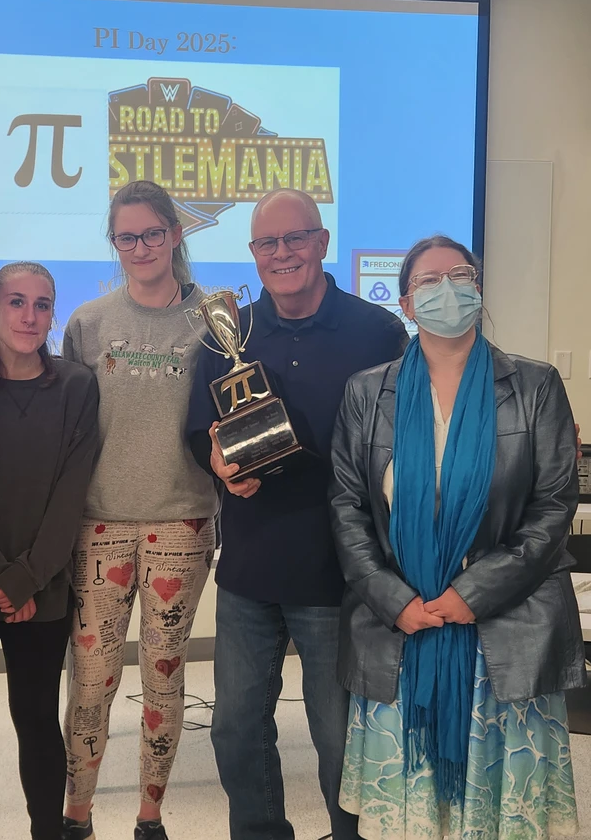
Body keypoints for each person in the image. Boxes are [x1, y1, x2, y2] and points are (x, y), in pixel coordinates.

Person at [329, 235, 587, 840]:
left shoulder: (535, 386)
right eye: (428, 281)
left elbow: (553, 508)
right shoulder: (368, 394)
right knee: (411, 814)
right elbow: (347, 510)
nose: (447, 289)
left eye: (460, 275)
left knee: (498, 818)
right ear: (406, 304)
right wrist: (396, 601)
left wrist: (474, 593)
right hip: (405, 628)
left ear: (478, 287)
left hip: (503, 629)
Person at [186, 188, 408, 840]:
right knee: (233, 728)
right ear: (253, 254)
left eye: (293, 239)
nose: (280, 254)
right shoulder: (229, 331)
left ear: (320, 242)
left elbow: (402, 446)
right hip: (249, 568)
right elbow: (202, 430)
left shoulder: (377, 333)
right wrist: (218, 461)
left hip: (338, 571)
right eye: (266, 243)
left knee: (339, 736)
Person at [61, 180, 219, 840]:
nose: (141, 247)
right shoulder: (88, 324)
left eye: (153, 233)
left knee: (163, 675)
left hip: (180, 521)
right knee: (91, 682)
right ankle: (77, 813)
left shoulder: (213, 322)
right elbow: (66, 430)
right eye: (127, 236)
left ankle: (149, 814)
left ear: (175, 234)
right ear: (114, 242)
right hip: (99, 523)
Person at [0, 261, 99, 840]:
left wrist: (28, 577)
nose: (30, 317)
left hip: (43, 588)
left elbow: (71, 492)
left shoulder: (77, 386)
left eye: (42, 304)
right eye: (16, 303)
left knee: (36, 721)